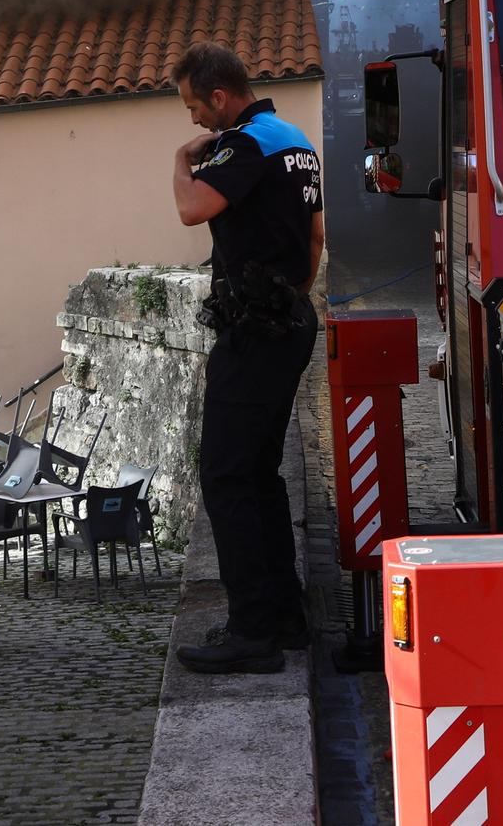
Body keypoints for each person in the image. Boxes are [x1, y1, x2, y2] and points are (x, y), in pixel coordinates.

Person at [168, 42, 324, 674]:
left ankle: (252, 631)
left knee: (227, 476)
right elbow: (314, 238)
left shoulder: (243, 144)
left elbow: (191, 209)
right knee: (261, 475)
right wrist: (291, 297)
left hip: (254, 330)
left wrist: (182, 163)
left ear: (221, 97)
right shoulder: (297, 141)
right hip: (290, 319)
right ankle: (285, 617)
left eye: (194, 108)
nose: (194, 122)